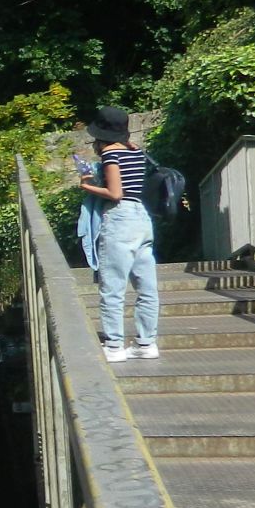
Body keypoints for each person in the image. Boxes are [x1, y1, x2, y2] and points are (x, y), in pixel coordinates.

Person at [78, 106, 159, 362]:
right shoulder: (137, 151)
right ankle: (146, 343)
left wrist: (87, 185)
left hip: (120, 218)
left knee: (112, 286)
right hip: (142, 218)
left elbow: (115, 194)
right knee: (146, 287)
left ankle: (114, 346)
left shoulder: (111, 155)